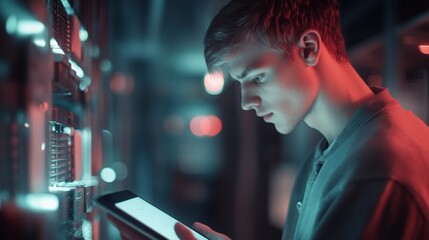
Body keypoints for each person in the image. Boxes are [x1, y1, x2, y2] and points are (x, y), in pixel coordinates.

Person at [110, 0, 429, 239]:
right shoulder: (332, 153)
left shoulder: (378, 166)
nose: (247, 102)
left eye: (258, 77)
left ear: (308, 49)